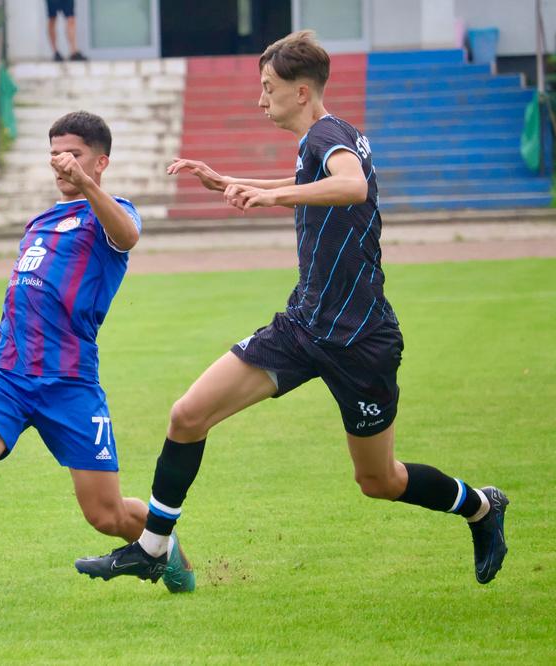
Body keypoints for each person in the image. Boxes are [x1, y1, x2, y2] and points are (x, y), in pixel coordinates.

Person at [74, 31, 509, 588]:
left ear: (301, 92)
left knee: (379, 480)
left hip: (360, 340)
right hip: (302, 328)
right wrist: (233, 183)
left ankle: (481, 507)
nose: (261, 100)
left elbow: (350, 186)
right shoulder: (323, 141)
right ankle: (153, 548)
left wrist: (272, 196)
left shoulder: (327, 134)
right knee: (188, 415)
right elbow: (313, 183)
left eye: (268, 88)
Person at [0, 111, 196, 627]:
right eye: (55, 154)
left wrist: (87, 187)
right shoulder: (38, 224)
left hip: (70, 383)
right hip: (7, 375)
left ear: (100, 162)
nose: (61, 163)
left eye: (73, 154)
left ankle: (162, 547)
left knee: (105, 514)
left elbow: (127, 236)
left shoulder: (113, 215)